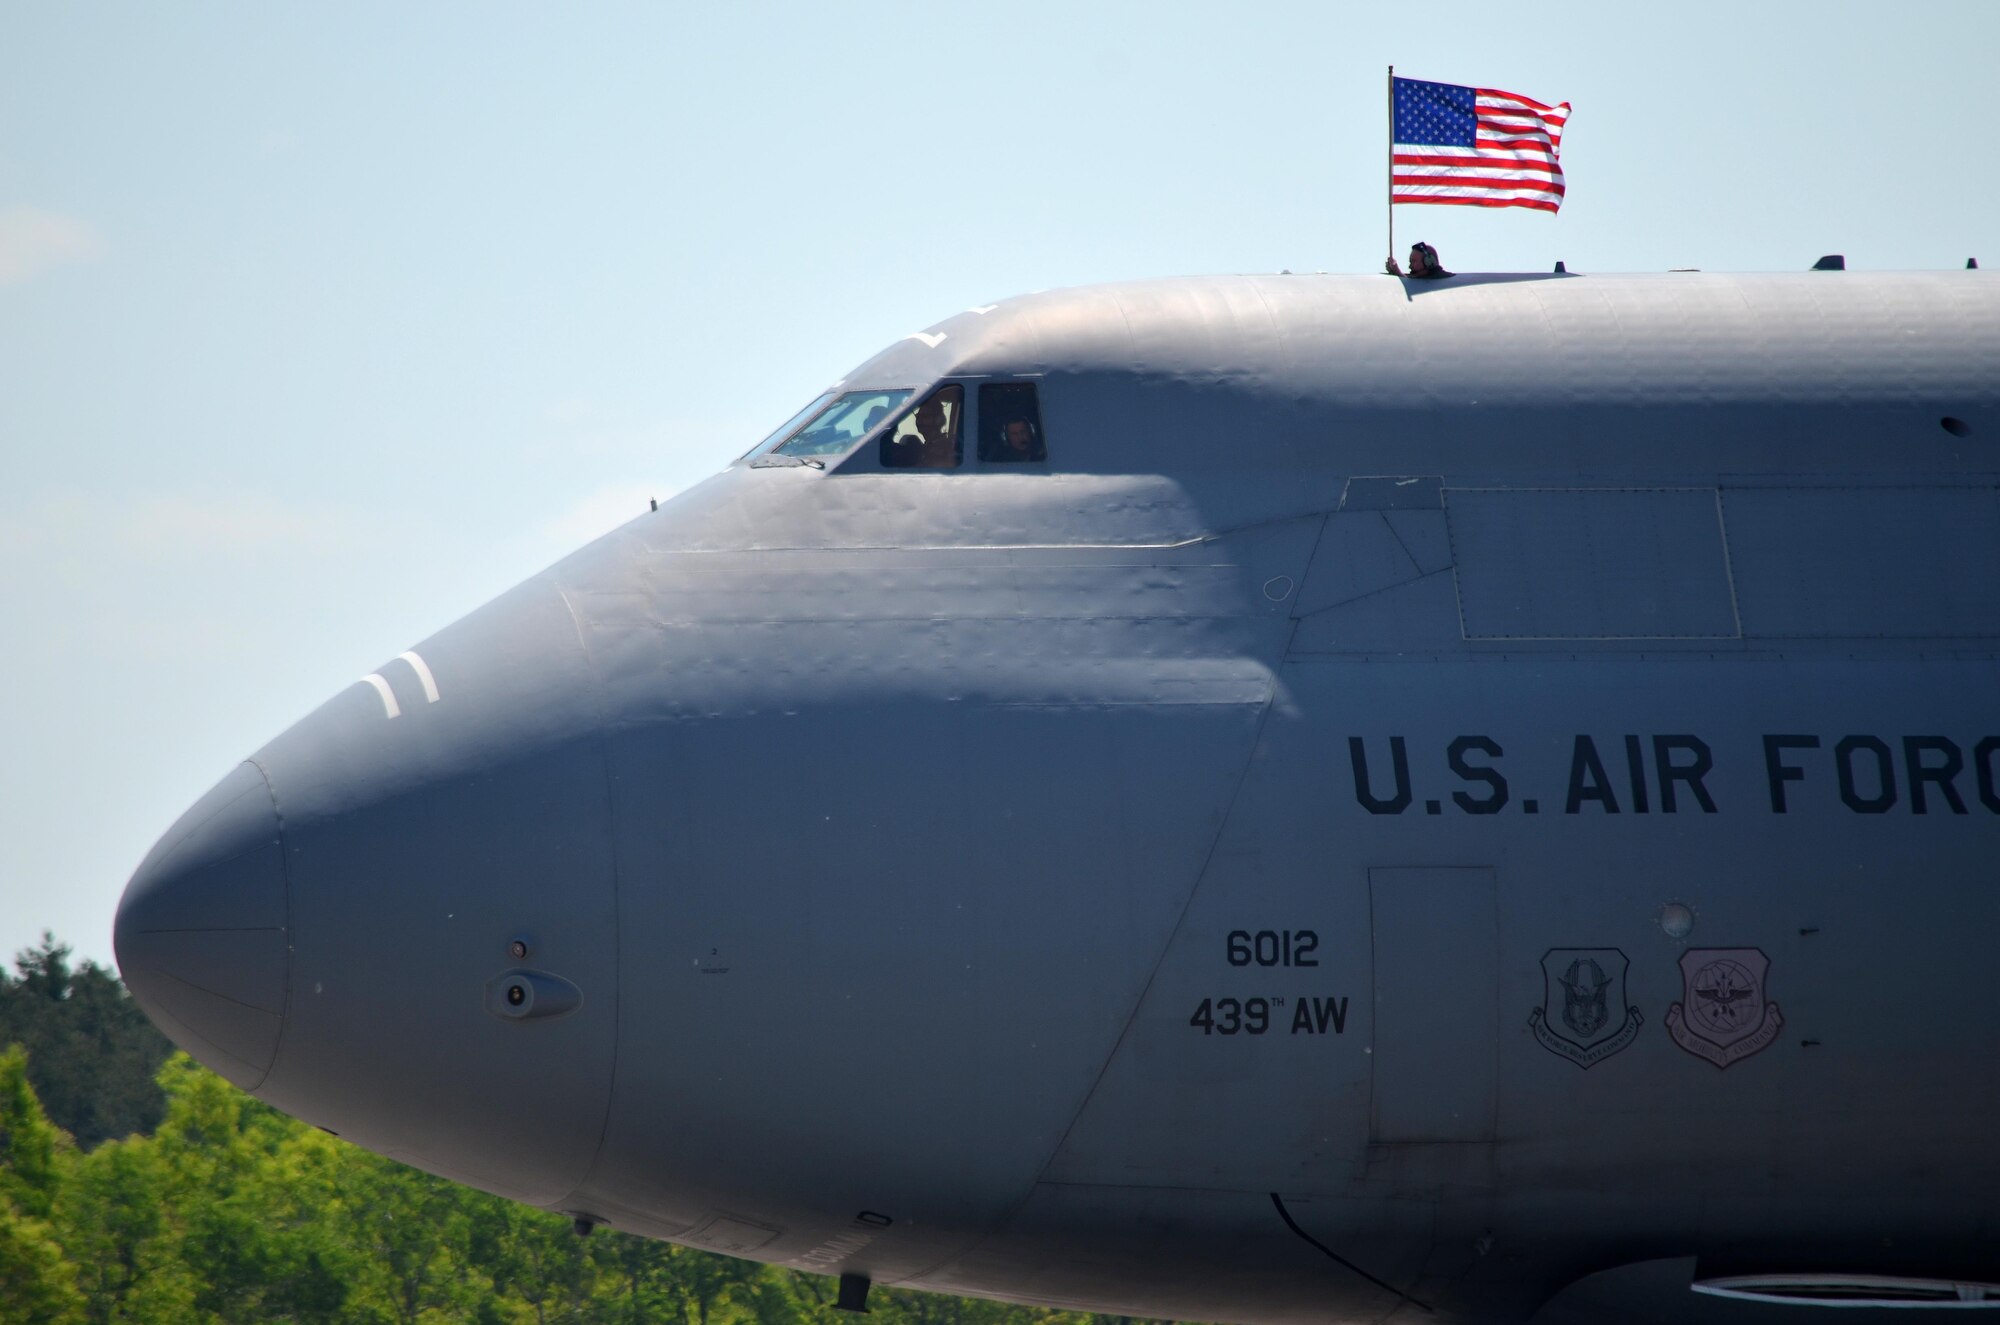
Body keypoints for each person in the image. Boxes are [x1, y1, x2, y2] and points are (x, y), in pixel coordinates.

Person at [1385, 241, 1452, 279]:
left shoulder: (1441, 279)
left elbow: (1412, 286)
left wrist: (1397, 271)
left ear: (1428, 262)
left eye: (1413, 261)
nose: (1410, 266)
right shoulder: (1417, 278)